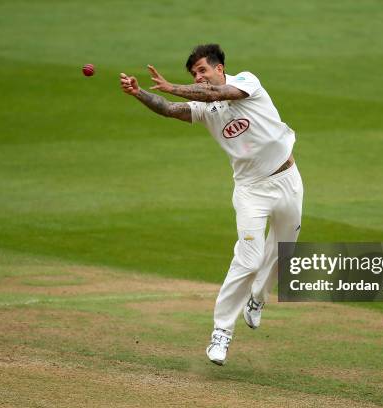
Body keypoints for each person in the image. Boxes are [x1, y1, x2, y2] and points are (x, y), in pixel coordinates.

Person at [119, 44, 303, 365]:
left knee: (284, 249)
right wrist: (139, 94)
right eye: (193, 74)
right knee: (248, 258)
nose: (199, 77)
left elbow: (219, 94)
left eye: (203, 70)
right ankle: (221, 332)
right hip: (250, 191)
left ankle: (258, 298)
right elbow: (168, 109)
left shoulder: (247, 82)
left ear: (220, 69)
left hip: (287, 179)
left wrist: (174, 87)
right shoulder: (205, 108)